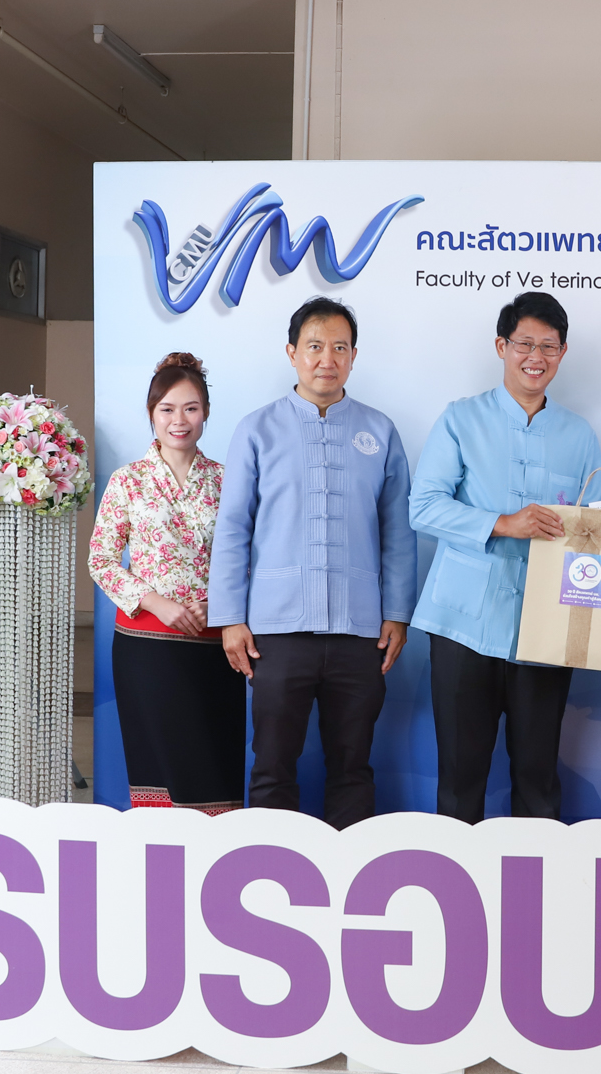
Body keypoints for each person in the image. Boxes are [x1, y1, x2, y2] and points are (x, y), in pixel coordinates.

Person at [211, 297, 416, 829]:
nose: (328, 359)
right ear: (292, 352)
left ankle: (352, 871)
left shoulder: (380, 431)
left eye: (340, 348)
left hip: (360, 631)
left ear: (353, 357)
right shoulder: (257, 429)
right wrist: (230, 617)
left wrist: (397, 614)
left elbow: (398, 531)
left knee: (353, 766)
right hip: (276, 631)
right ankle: (270, 864)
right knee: (273, 764)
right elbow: (232, 529)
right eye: (315, 346)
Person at [410, 291, 601, 823]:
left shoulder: (579, 435)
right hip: (462, 624)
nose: (535, 357)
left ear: (562, 353)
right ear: (502, 347)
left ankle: (534, 876)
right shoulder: (461, 419)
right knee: (460, 780)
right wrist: (501, 523)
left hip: (547, 628)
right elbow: (422, 508)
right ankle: (455, 877)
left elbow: (594, 532)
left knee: (538, 780)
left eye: (549, 346)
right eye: (524, 344)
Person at [87, 352, 240, 813]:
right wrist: (157, 602)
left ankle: (219, 852)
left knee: (214, 759)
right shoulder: (128, 481)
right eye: (167, 409)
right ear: (152, 413)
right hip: (147, 643)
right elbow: (101, 560)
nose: (179, 420)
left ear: (206, 412)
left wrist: (218, 605)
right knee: (159, 763)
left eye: (191, 408)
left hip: (216, 641)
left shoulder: (228, 481)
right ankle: (162, 852)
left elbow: (248, 559)